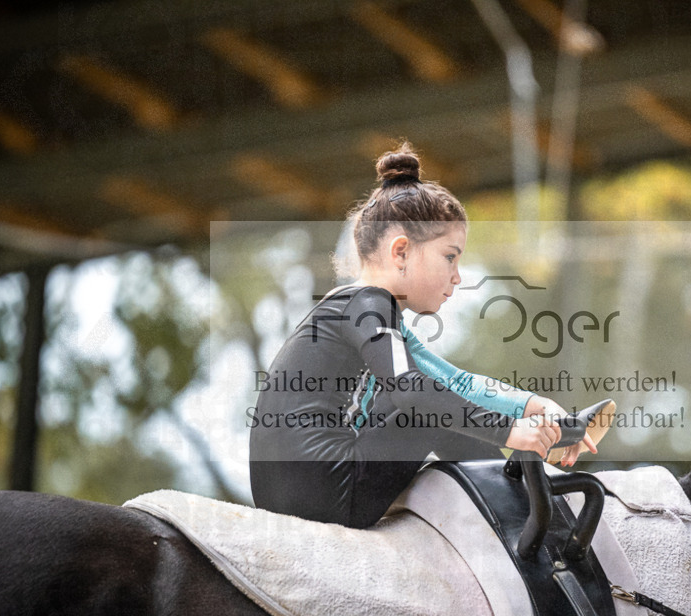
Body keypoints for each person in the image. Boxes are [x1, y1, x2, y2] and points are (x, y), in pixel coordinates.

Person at [249, 142, 595, 528]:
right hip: (324, 491)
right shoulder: (368, 302)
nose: (457, 276)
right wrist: (511, 430)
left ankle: (525, 489)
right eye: (450, 256)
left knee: (427, 398)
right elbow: (414, 392)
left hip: (289, 492)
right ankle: (530, 513)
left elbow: (455, 382)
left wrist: (538, 407)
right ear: (401, 252)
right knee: (424, 409)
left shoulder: (353, 309)